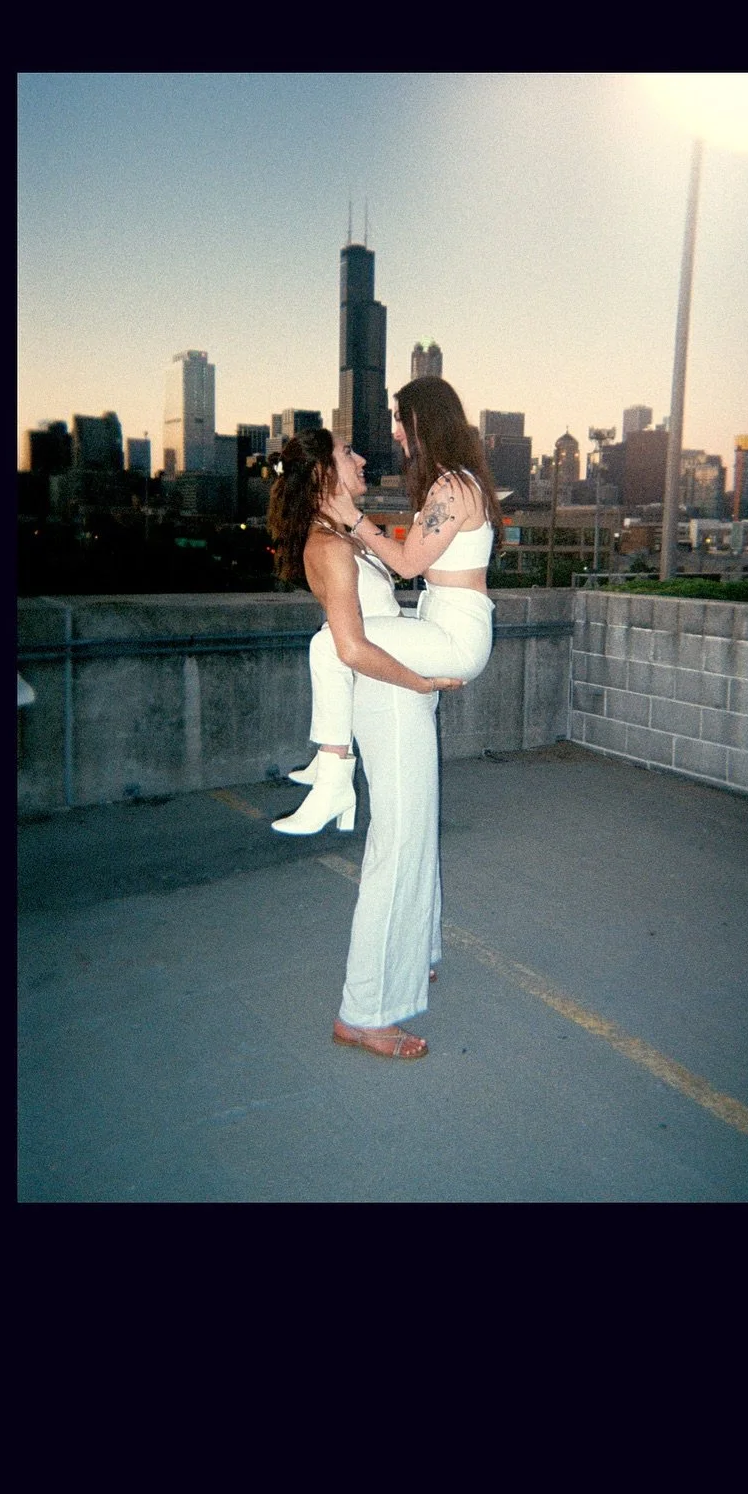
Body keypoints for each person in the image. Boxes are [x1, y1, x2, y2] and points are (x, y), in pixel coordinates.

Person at [268, 426, 470, 1060]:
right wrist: (422, 680)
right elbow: (350, 646)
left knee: (418, 831)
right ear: (325, 475)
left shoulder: (342, 535)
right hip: (386, 695)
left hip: (395, 697)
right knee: (398, 843)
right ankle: (365, 1012)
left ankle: (416, 954)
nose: (360, 459)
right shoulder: (326, 547)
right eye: (346, 455)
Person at [271, 375, 503, 834]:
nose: (395, 431)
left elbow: (408, 563)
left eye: (400, 419)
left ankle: (334, 772)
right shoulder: (448, 484)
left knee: (331, 646)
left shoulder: (453, 488)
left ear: (425, 420)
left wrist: (356, 521)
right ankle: (331, 768)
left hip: (456, 632)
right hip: (440, 620)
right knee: (332, 643)